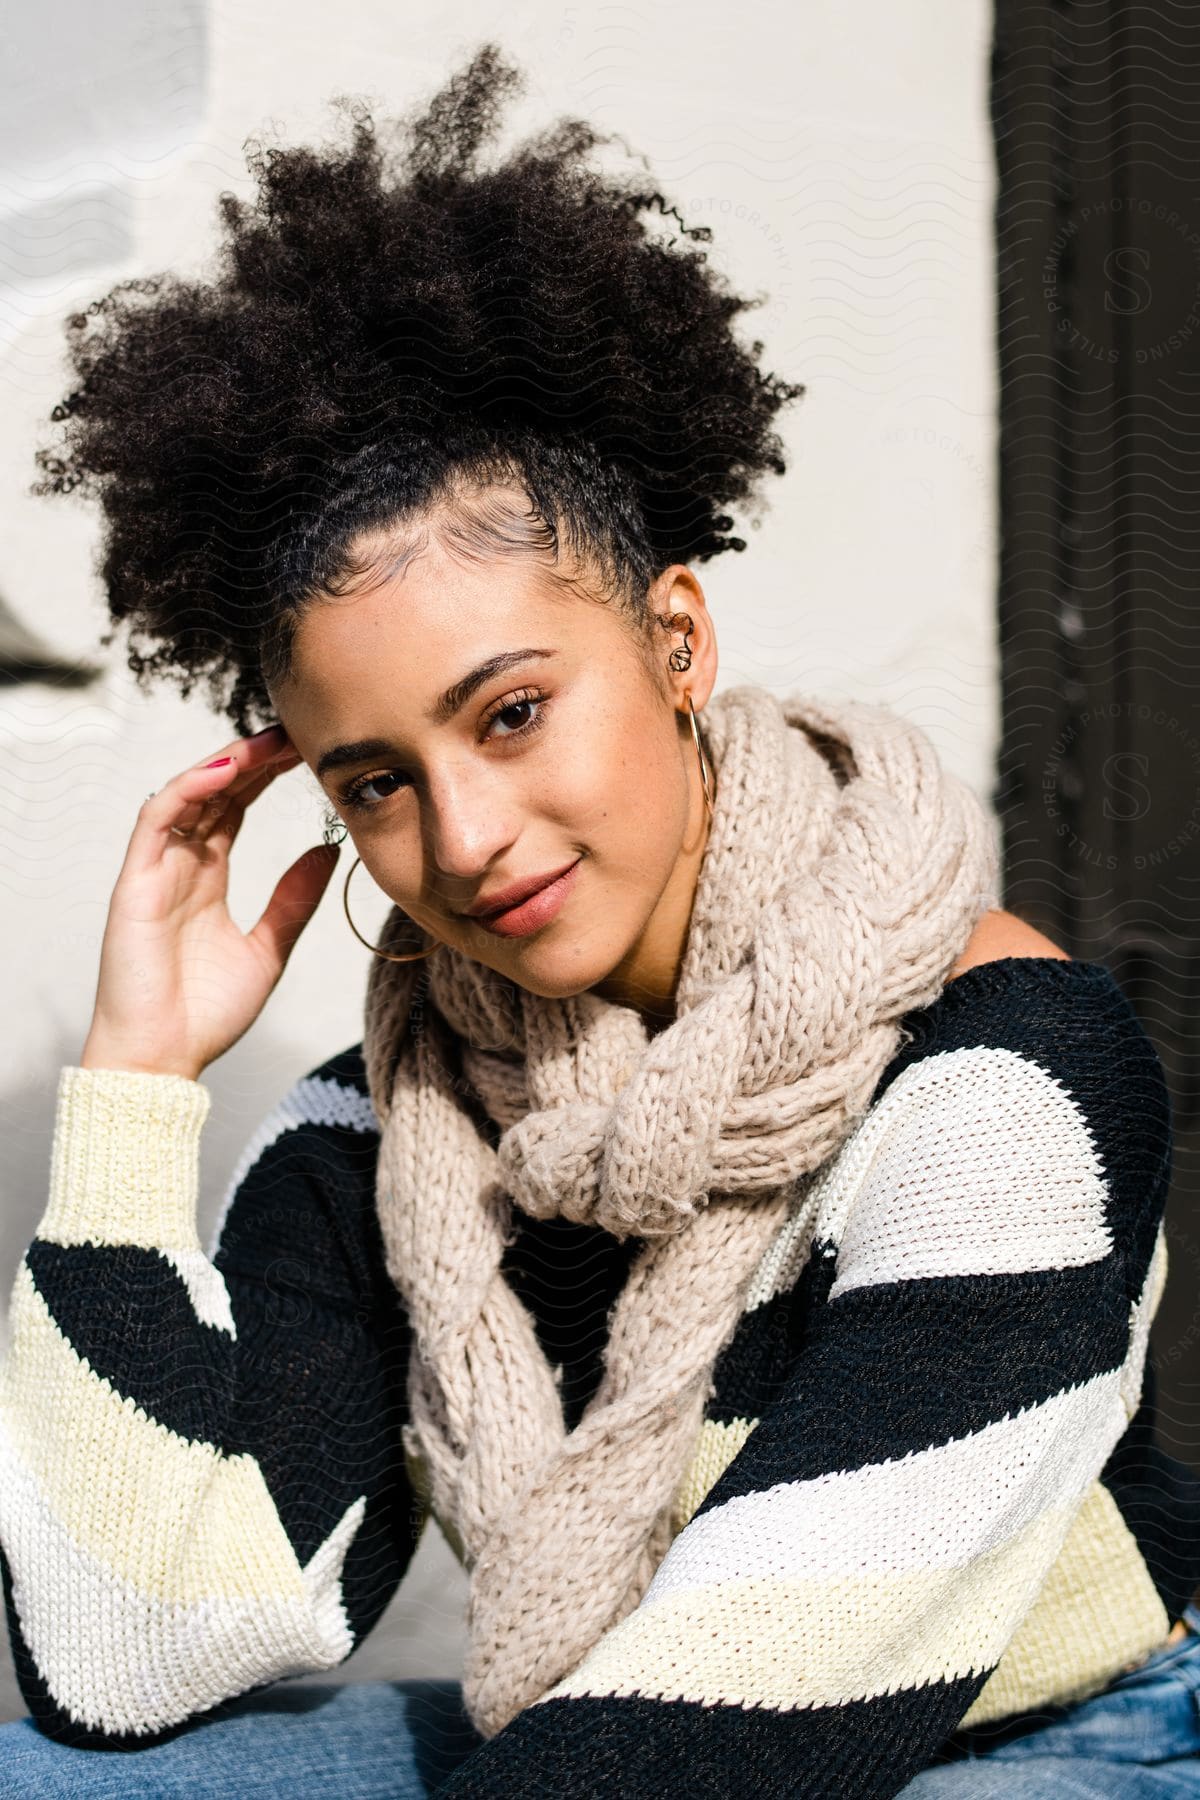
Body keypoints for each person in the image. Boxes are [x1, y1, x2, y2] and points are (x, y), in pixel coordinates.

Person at [2, 39, 1199, 1800]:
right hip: (592, 1742)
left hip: (1047, 1742)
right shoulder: (385, 1128)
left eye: (509, 713)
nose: (465, 838)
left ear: (678, 643)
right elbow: (119, 1663)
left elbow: (751, 1705)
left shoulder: (1010, 1070)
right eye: (373, 779)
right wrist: (133, 1093)